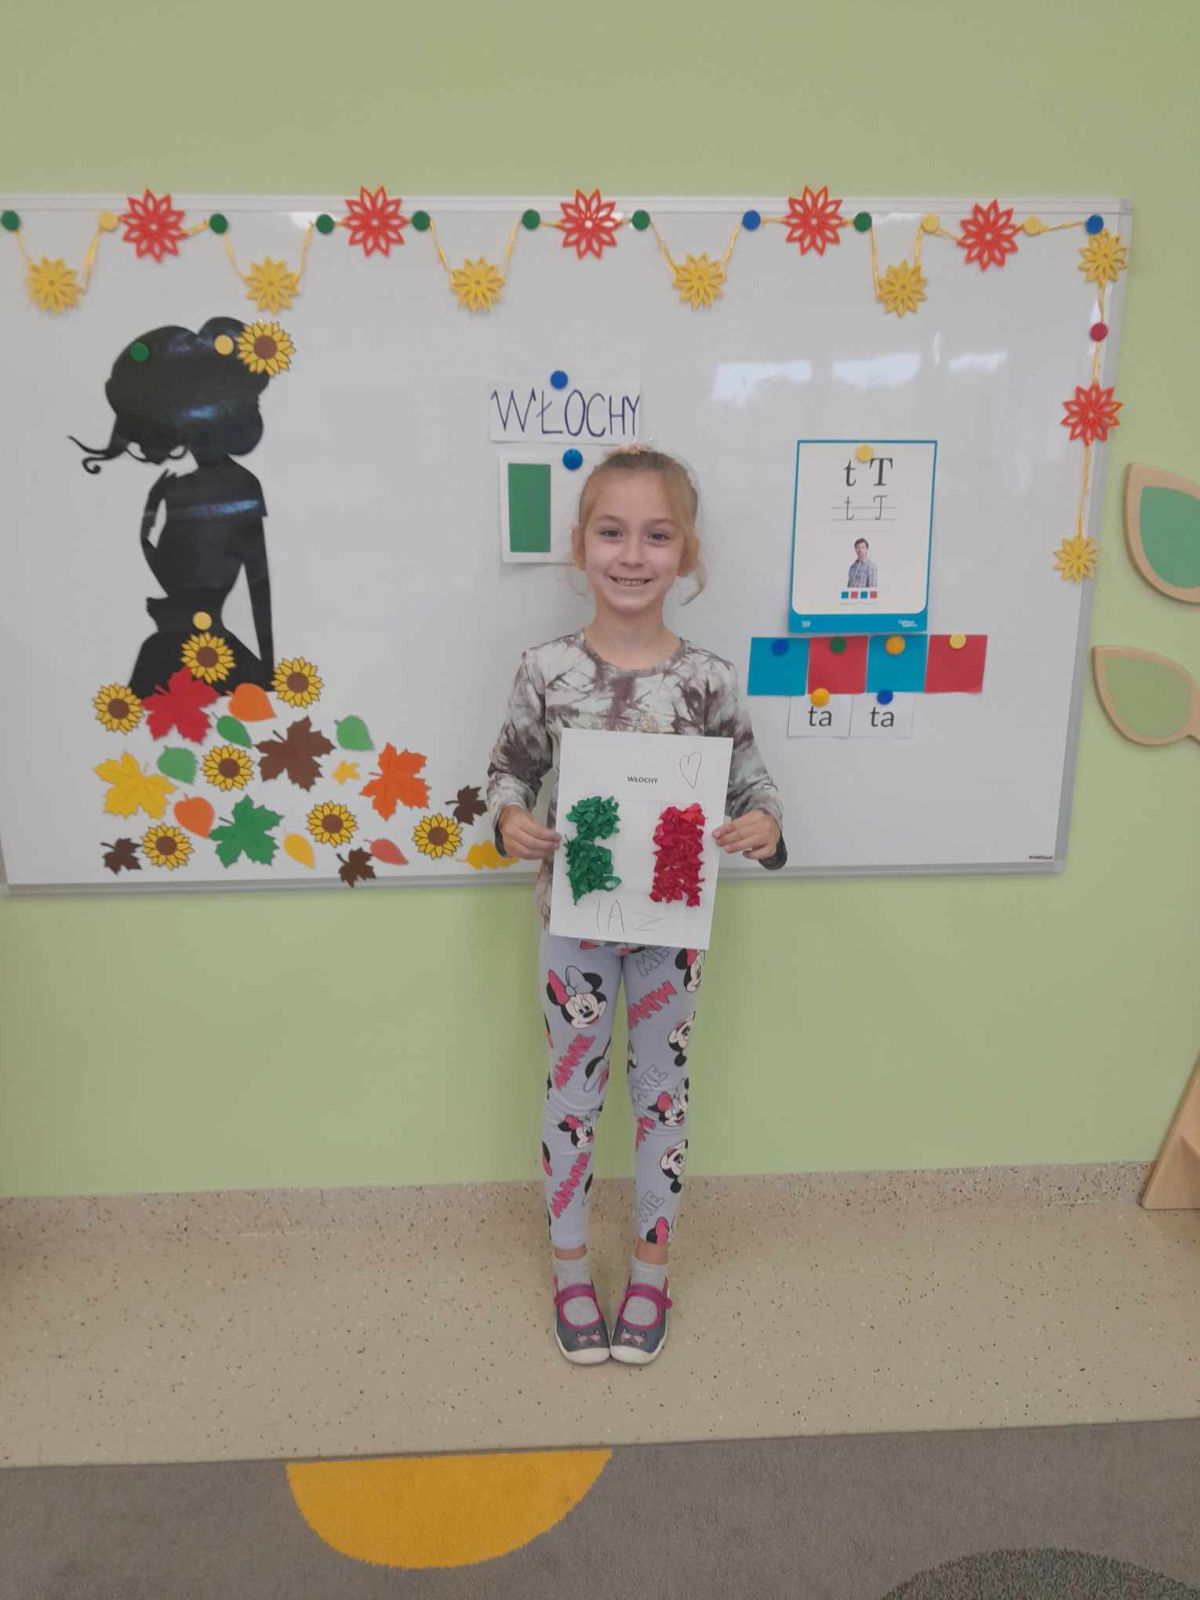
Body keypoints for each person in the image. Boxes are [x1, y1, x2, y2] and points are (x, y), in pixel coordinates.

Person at [486, 444, 787, 1367]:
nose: (631, 554)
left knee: (662, 1094)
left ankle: (652, 1271)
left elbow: (752, 783)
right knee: (572, 1093)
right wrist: (510, 821)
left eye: (657, 536)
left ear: (686, 553)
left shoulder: (708, 679)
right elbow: (509, 770)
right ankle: (570, 1268)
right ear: (581, 545)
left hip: (672, 931)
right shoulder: (545, 669)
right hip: (573, 926)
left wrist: (765, 825)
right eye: (611, 533)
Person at [71, 318, 279, 698]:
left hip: (203, 654)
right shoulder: (186, 490)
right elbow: (237, 579)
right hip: (187, 650)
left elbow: (256, 581)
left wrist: (268, 668)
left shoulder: (231, 488)